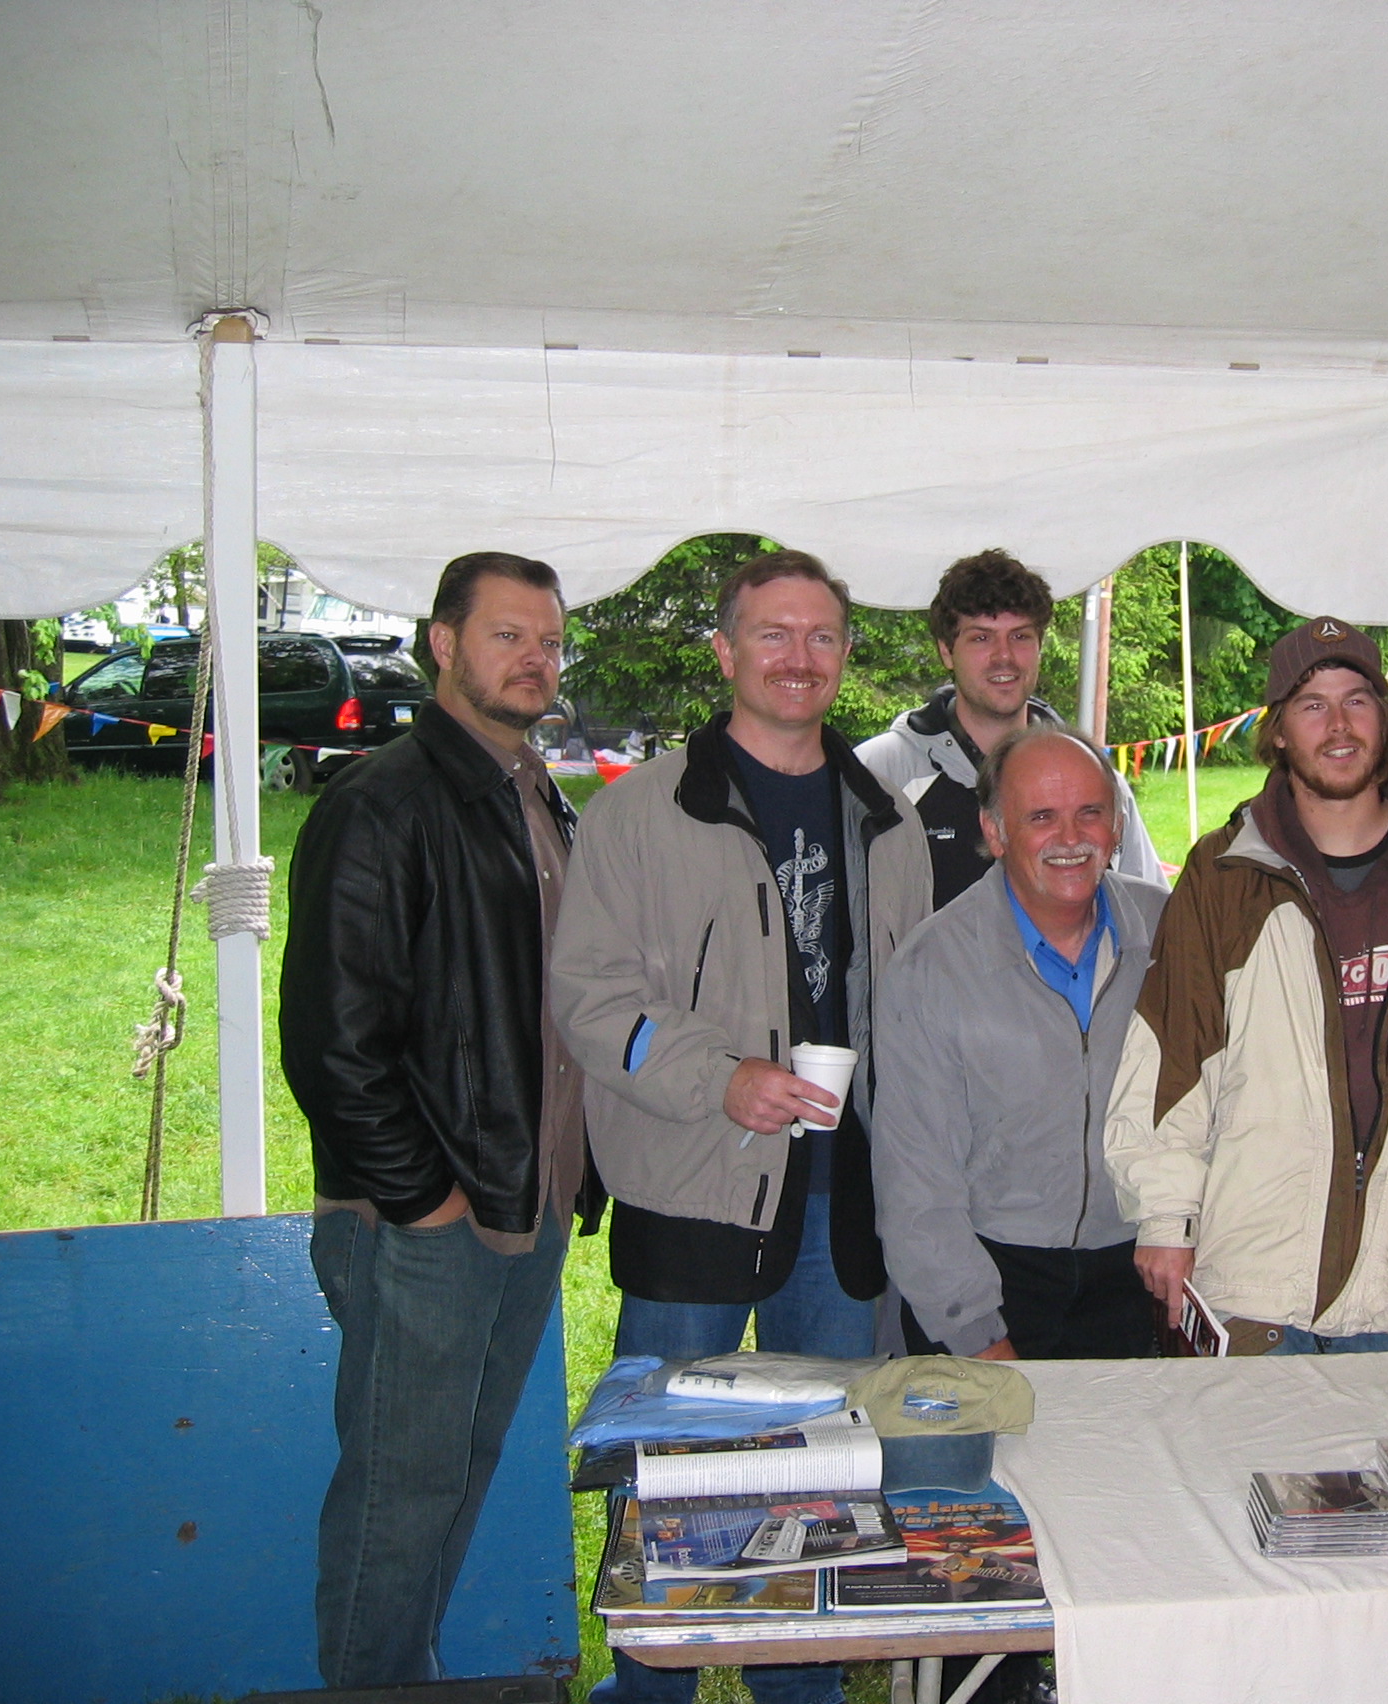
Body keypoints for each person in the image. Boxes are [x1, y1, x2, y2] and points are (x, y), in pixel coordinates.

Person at [552, 551, 931, 1704]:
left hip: (844, 1201)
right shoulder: (636, 814)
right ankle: (655, 1681)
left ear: (845, 656)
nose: (798, 657)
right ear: (725, 652)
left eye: (821, 636)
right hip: (693, 1188)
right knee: (667, 1472)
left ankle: (800, 1682)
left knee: (826, 1469)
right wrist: (717, 1080)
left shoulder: (887, 820)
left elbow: (910, 1004)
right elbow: (589, 1002)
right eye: (772, 634)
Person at [281, 551, 593, 1687]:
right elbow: (332, 1040)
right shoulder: (384, 802)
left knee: (454, 1472)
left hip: (526, 1204)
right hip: (426, 1223)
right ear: (443, 644)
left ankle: (402, 1674)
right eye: (508, 634)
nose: (536, 659)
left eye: (550, 640)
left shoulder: (530, 791)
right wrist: (426, 1201)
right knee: (397, 1493)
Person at [1105, 616, 1388, 1353]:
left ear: (1386, 723)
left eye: (1356, 700)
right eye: (1311, 704)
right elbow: (1169, 1065)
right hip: (1255, 1277)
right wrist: (1166, 1218)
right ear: (1280, 732)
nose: (1337, 726)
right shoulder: (1224, 876)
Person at [873, 723, 1169, 1361]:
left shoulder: (1171, 935)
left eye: (1090, 813)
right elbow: (917, 1190)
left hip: (1139, 1271)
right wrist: (978, 1336)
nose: (1070, 839)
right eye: (1041, 816)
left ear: (1117, 827)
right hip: (991, 1277)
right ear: (995, 831)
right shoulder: (931, 966)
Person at [857, 548, 1164, 907]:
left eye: (1020, 636)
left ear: (1040, 646)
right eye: (981, 638)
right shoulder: (881, 774)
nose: (1003, 656)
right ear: (946, 650)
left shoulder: (1091, 775)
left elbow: (1144, 915)